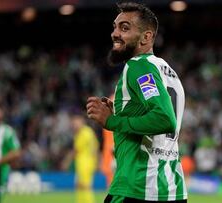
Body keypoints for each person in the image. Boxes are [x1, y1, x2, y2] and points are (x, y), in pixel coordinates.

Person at [86, 2, 187, 202]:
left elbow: (164, 119)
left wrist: (112, 122)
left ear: (146, 37)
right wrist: (121, 111)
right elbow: (155, 111)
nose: (115, 34)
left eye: (125, 28)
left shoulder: (138, 66)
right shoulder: (167, 70)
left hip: (138, 186)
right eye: (115, 27)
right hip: (172, 188)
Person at [61, 112, 99, 203]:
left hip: (84, 163)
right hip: (88, 162)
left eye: (76, 122)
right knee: (80, 185)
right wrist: (96, 161)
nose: (74, 125)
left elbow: (76, 150)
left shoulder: (83, 133)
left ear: (82, 121)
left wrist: (66, 162)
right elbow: (96, 147)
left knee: (84, 186)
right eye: (73, 123)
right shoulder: (89, 131)